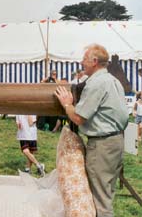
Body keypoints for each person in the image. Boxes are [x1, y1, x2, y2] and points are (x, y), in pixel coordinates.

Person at [55, 43, 129, 217]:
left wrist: (67, 104)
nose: (81, 62)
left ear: (94, 61)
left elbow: (79, 117)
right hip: (115, 142)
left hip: (102, 146)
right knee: (106, 194)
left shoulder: (97, 83)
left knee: (100, 202)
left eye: (84, 59)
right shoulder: (112, 80)